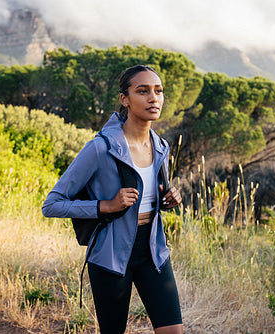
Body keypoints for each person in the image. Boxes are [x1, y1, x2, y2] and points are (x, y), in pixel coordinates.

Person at [42, 65, 183, 334]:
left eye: (158, 91)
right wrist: (105, 206)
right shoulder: (100, 147)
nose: (153, 98)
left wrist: (167, 198)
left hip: (153, 252)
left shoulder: (161, 146)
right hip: (110, 256)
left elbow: (150, 197)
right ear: (125, 99)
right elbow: (52, 204)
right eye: (142, 91)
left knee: (173, 331)